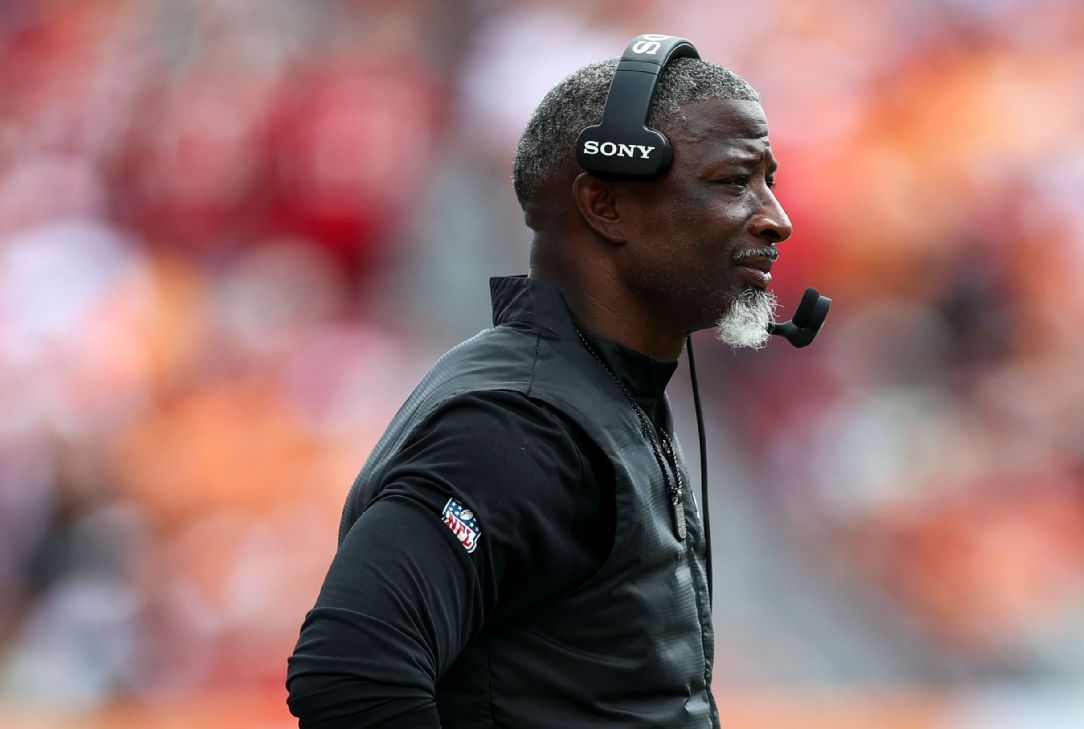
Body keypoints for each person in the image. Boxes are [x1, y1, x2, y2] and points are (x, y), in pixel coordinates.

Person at [286, 40, 792, 728]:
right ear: (605, 204)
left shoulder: (602, 395)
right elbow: (350, 672)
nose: (776, 217)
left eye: (768, 182)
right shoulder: (515, 426)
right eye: (734, 181)